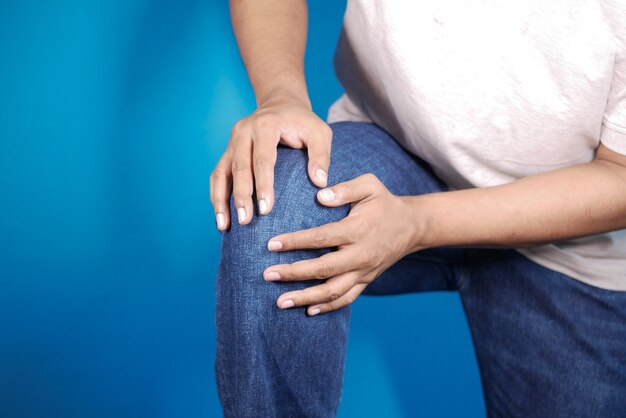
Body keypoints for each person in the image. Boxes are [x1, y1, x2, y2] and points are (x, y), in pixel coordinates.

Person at [211, 0, 626, 416]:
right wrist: (281, 97)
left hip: (571, 240)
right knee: (278, 220)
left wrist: (417, 222)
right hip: (396, 150)